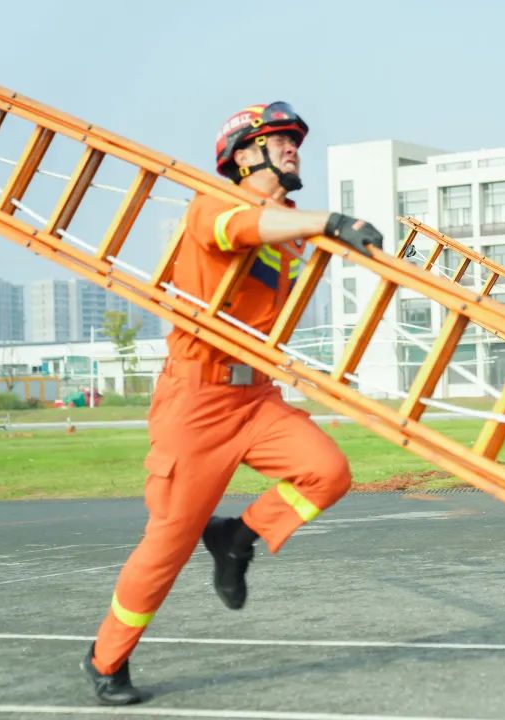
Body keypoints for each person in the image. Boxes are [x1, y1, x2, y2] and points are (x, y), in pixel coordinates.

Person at [81, 102, 383, 705]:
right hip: (198, 398)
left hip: (257, 396)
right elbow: (241, 229)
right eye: (280, 139)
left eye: (296, 139)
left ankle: (238, 537)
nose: (295, 147)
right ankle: (105, 659)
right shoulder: (214, 202)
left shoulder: (290, 223)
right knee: (167, 540)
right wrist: (331, 222)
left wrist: (324, 232)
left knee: (327, 472)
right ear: (245, 155)